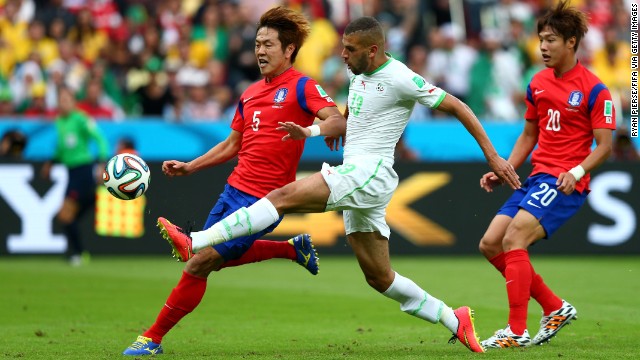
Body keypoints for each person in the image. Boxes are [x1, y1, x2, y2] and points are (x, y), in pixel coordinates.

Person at [160, 16, 521, 354]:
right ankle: (451, 317)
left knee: (281, 196)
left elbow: (458, 106)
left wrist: (492, 156)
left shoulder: (400, 76)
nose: (342, 55)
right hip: (360, 177)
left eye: (350, 50)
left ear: (373, 50)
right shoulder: (359, 73)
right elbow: (358, 108)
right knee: (379, 277)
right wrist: (343, 123)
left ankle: (197, 240)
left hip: (370, 172)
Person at [122, 7, 346, 356]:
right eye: (258, 44)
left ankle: (152, 338)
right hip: (233, 190)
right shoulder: (251, 92)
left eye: (268, 44)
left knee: (199, 261)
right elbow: (232, 145)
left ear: (288, 50)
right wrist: (190, 167)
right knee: (211, 259)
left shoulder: (303, 86)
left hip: (265, 202)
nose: (260, 51)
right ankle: (290, 248)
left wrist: (311, 130)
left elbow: (337, 120)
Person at [477, 1, 616, 349]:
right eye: (540, 39)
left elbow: (605, 146)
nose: (542, 47)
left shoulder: (595, 89)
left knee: (514, 239)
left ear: (571, 42)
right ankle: (554, 307)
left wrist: (578, 170)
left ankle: (516, 330)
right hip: (538, 177)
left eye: (551, 40)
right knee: (490, 244)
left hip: (565, 182)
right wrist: (505, 167)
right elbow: (529, 134)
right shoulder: (537, 82)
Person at [41, 86, 109, 266]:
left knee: (65, 215)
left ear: (73, 102)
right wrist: (51, 162)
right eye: (60, 100)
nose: (63, 103)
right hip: (71, 172)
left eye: (66, 100)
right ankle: (76, 252)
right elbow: (61, 148)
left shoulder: (80, 119)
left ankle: (79, 253)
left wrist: (102, 163)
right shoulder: (59, 122)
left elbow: (100, 139)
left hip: (83, 170)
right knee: (66, 216)